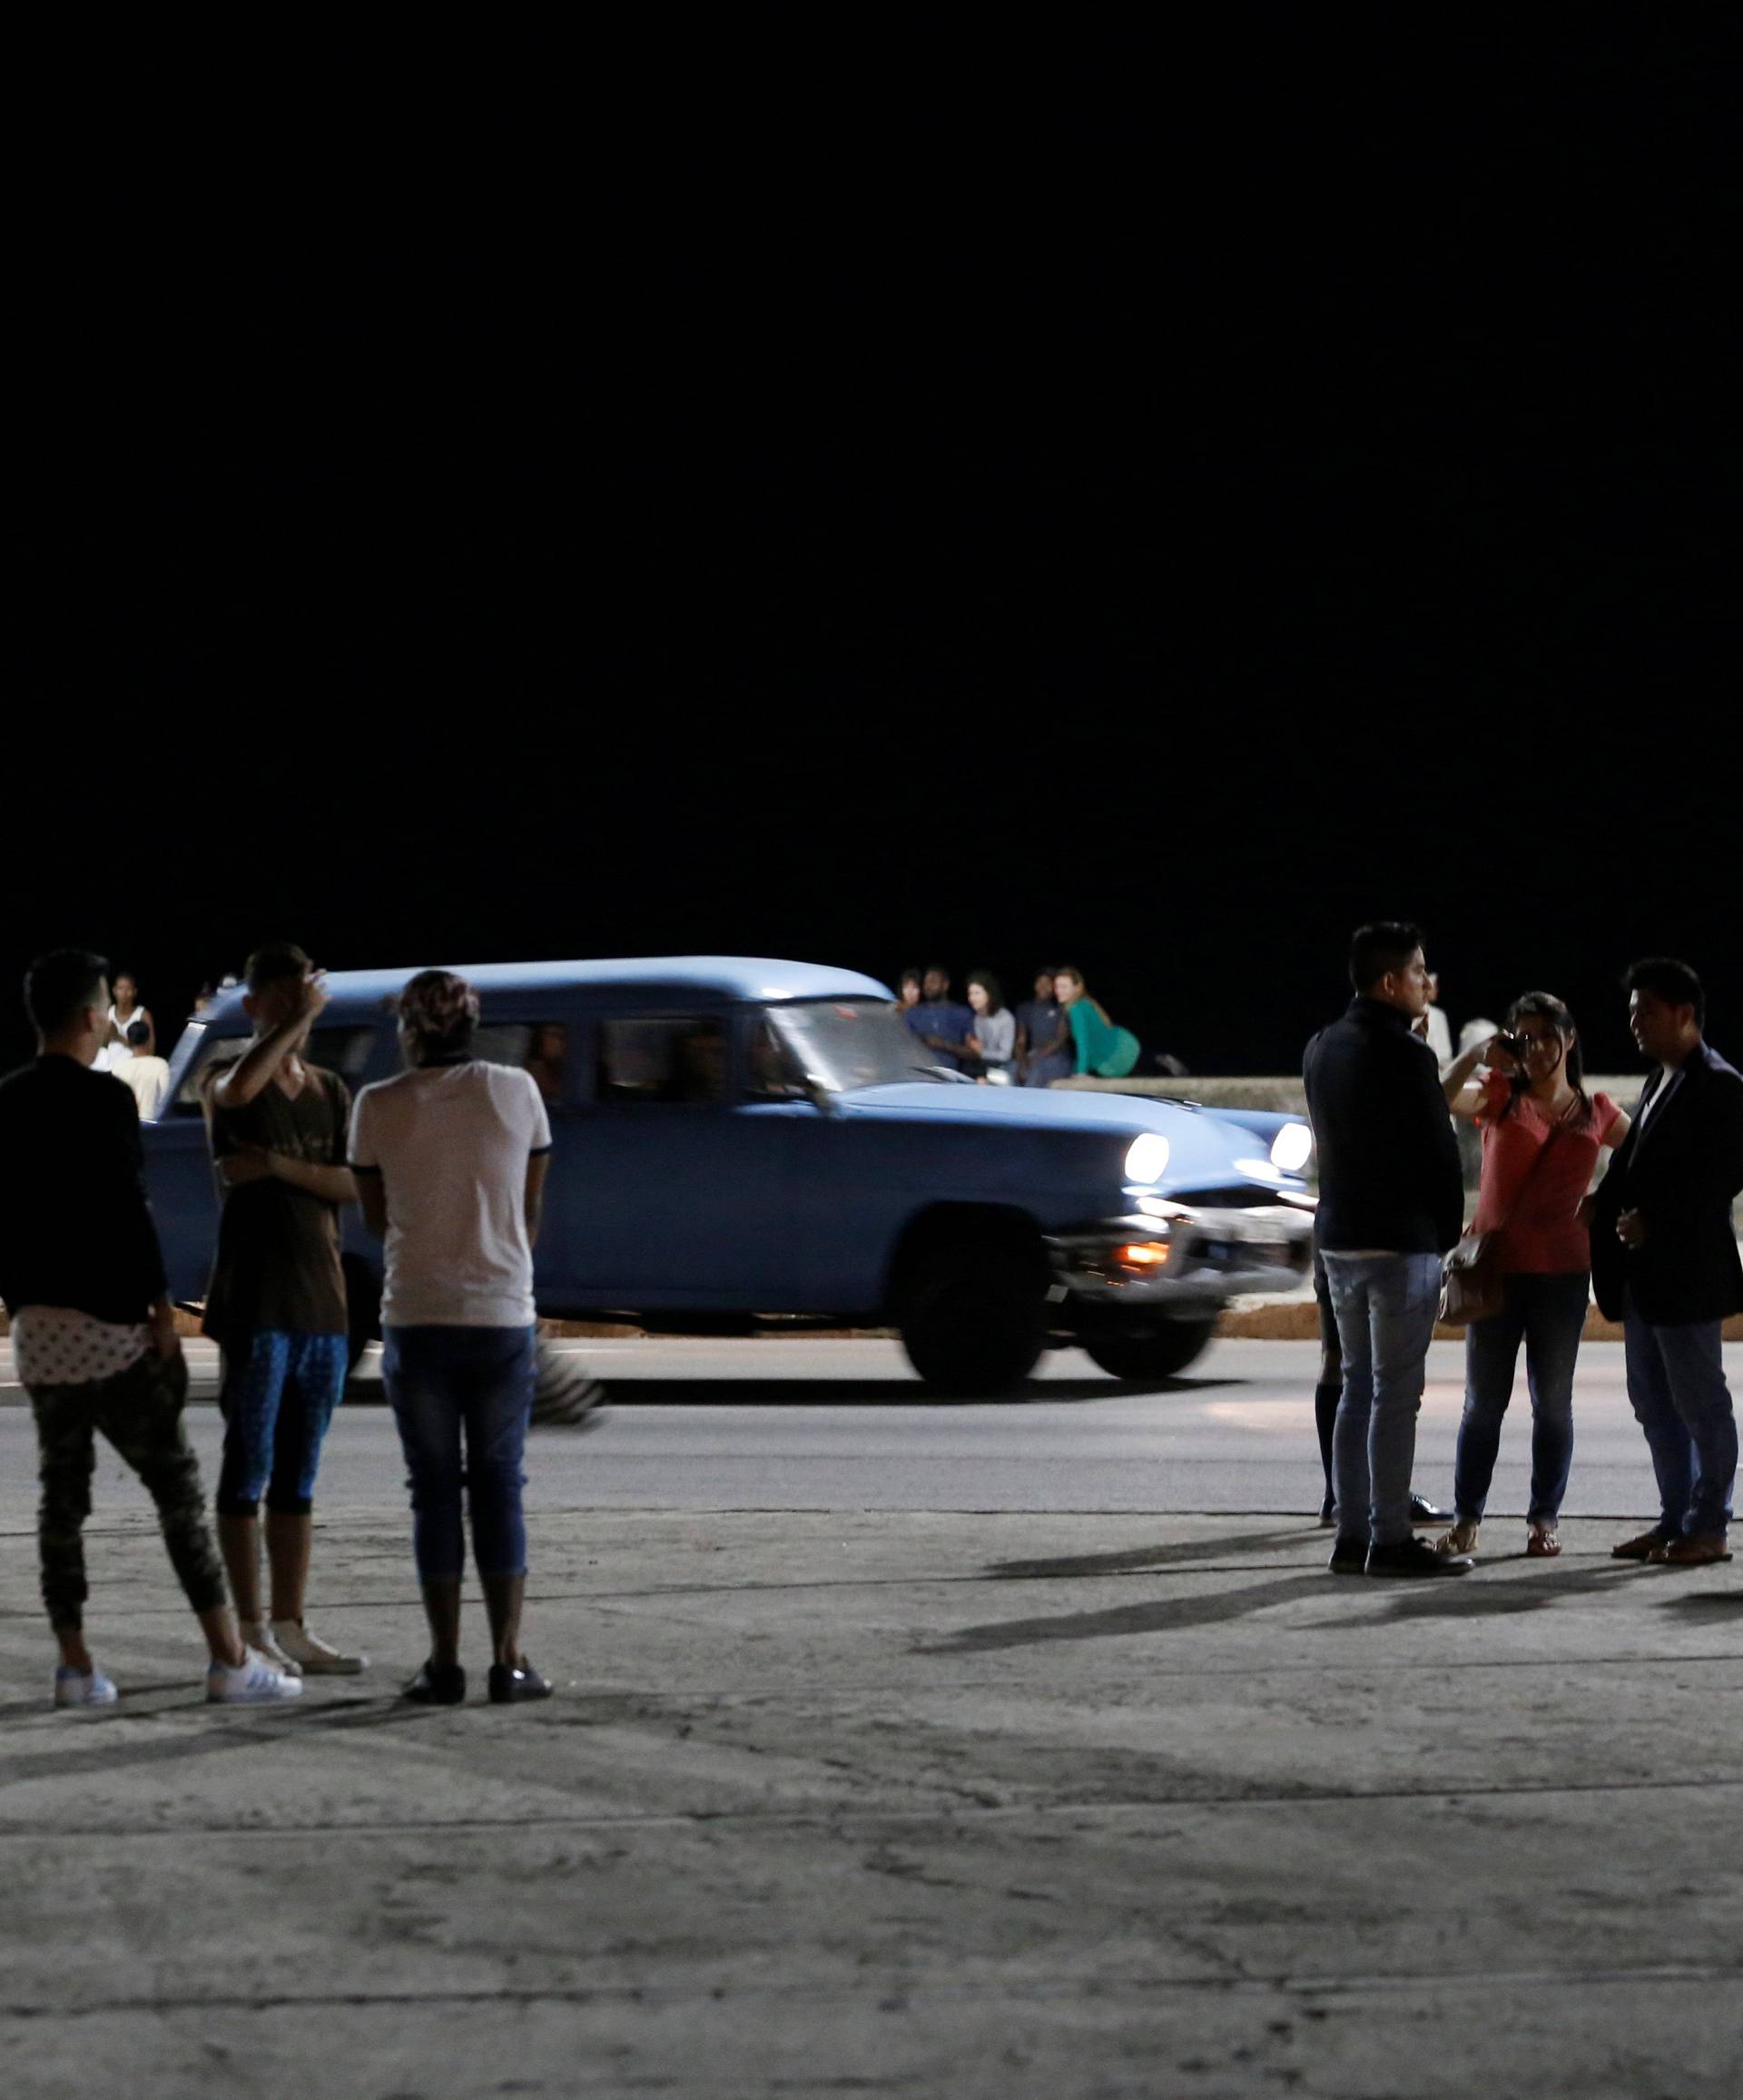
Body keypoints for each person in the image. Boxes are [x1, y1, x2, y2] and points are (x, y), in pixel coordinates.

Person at [0, 950, 300, 1707]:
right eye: (103, 1003)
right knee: (175, 1489)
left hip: (40, 1327)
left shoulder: (5, 1099)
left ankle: (75, 1666)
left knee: (60, 1499)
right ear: (88, 1015)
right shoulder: (103, 1100)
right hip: (110, 1324)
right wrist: (160, 1309)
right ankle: (229, 1659)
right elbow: (128, 1209)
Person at [350, 969, 555, 1705]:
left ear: (410, 1031)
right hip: (502, 1315)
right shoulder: (519, 1091)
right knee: (499, 1486)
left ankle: (443, 1664)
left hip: (417, 1315)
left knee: (434, 1493)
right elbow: (528, 1204)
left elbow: (374, 1220)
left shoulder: (376, 1105)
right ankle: (509, 1660)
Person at [202, 942, 364, 1677]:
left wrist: (276, 1166)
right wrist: (291, 1026)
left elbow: (353, 1184)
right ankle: (249, 1628)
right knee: (247, 1468)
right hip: (256, 1301)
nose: (302, 1003)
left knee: (299, 1476)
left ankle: (292, 1622)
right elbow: (237, 1094)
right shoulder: (227, 1078)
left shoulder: (330, 1090)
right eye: (287, 994)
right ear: (256, 1002)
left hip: (322, 1307)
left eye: (306, 992)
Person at [1433, 993, 1628, 1558]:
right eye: (1524, 1036)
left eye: (1546, 1035)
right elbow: (1440, 1098)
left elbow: (1648, 1153)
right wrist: (1477, 1053)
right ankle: (1466, 1520)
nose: (1536, 1047)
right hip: (1494, 1272)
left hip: (1563, 1276)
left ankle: (1544, 1520)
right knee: (1483, 1405)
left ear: (1569, 1040)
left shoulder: (1597, 1111)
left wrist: (1605, 1198)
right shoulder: (1501, 1098)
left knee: (1553, 1405)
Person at [1304, 922, 1471, 1578]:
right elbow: (1440, 1153)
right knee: (1397, 1395)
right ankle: (1391, 1537)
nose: (1428, 981)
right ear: (1390, 982)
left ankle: (1351, 1536)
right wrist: (1449, 1237)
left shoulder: (1321, 1046)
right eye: (1420, 970)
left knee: (1355, 1389)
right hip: (1399, 1244)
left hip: (1340, 1240)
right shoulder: (1406, 1054)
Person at [1591, 959, 1743, 1567]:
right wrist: (1601, 1207)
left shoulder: (1721, 1083)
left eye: (1645, 1011)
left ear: (1685, 1013)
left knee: (1702, 1403)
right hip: (1644, 1278)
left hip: (1689, 1276)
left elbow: (1723, 1176)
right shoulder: (1659, 1081)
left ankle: (1710, 1524)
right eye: (1631, 1011)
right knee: (1652, 1401)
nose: (1634, 1022)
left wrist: (1657, 1218)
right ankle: (1674, 1518)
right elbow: (1633, 1167)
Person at [1054, 967, 1140, 1079]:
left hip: (1116, 1059)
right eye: (1057, 986)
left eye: (1064, 987)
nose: (1058, 991)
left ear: (1077, 988)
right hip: (1126, 1047)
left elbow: (1083, 1042)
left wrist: (1081, 1072)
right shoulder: (1085, 1002)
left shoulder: (1075, 1009)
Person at [907, 966, 975, 1070]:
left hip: (951, 1079)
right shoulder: (912, 1013)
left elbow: (973, 1052)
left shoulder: (962, 1014)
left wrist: (944, 1045)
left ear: (945, 985)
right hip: (917, 1076)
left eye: (933, 981)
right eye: (926, 982)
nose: (928, 986)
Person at [1015, 969, 1073, 1089]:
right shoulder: (1025, 1008)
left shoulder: (1061, 1009)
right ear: (1035, 985)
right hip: (1033, 1055)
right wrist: (1022, 1061)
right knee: (1010, 1070)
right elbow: (1021, 1040)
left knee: (1036, 1073)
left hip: (1058, 1057)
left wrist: (1035, 1058)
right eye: (1040, 983)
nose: (1043, 987)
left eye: (1048, 984)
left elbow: (1059, 1040)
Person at [110, 1018, 172, 1119]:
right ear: (148, 1039)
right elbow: (166, 1097)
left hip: (126, 1123)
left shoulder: (118, 1066)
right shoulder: (160, 1065)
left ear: (128, 1040)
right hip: (151, 1124)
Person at [95, 971, 155, 1072]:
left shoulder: (142, 1014)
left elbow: (150, 1051)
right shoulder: (108, 1012)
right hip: (110, 1070)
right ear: (114, 991)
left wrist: (118, 1036)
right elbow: (97, 1047)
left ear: (135, 992)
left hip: (133, 1070)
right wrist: (107, 1035)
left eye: (128, 989)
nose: (124, 993)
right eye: (120, 988)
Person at [964, 971, 1016, 1084]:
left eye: (977, 993)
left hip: (1002, 1069)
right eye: (970, 993)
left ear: (989, 993)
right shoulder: (976, 1018)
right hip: (982, 1067)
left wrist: (981, 1052)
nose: (972, 998)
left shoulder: (1005, 1018)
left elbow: (1005, 1055)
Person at [1423, 971, 1453, 1070]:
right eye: (1435, 986)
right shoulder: (1437, 1015)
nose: (1437, 990)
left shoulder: (1438, 1014)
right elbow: (1444, 1053)